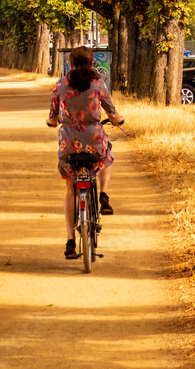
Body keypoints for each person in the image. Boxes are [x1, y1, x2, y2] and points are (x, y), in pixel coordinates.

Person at [46, 45, 123, 259]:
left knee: (71, 191)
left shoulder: (61, 85)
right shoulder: (97, 83)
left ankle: (71, 240)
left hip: (69, 142)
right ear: (91, 63)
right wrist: (117, 120)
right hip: (94, 139)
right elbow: (111, 110)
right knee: (107, 156)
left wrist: (52, 122)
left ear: (70, 62)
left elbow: (53, 115)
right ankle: (104, 193)